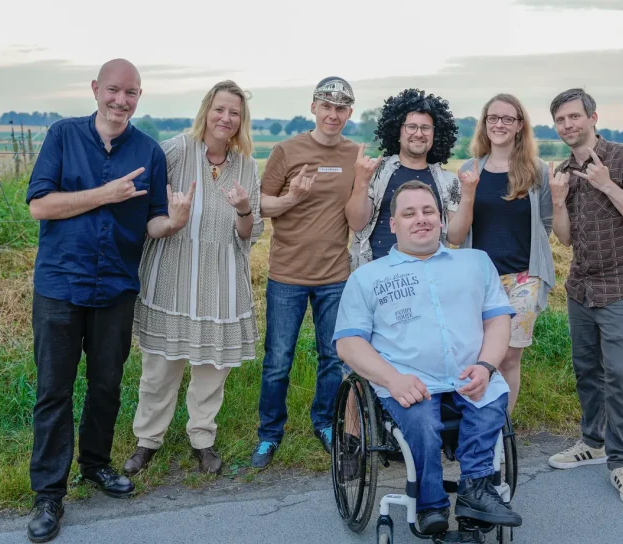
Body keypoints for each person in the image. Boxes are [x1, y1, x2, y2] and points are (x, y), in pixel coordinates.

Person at [24, 59, 194, 542]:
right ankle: (49, 494)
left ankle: (95, 465)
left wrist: (175, 222)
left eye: (132, 93)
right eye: (114, 91)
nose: (122, 101)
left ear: (140, 96)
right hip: (59, 286)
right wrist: (103, 194)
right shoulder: (62, 135)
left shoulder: (148, 151)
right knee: (54, 390)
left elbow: (152, 222)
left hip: (116, 287)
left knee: (106, 386)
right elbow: (40, 204)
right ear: (96, 89)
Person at [334, 180, 522, 535]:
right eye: (409, 213)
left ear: (440, 219)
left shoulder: (476, 263)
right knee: (420, 423)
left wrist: (486, 366)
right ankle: (430, 504)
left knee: (489, 404)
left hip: (471, 375)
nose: (420, 219)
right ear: (393, 225)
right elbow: (348, 344)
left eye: (428, 211)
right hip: (409, 382)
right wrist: (392, 379)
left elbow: (498, 321)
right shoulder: (366, 278)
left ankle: (474, 492)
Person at [124, 81, 264, 477]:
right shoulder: (173, 151)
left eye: (234, 113)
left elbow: (249, 235)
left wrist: (242, 209)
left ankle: (202, 439)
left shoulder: (246, 167)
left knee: (211, 370)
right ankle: (147, 441)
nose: (226, 118)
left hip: (221, 282)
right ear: (207, 110)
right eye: (220, 109)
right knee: (159, 369)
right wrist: (171, 216)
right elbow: (147, 207)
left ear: (241, 121)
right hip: (173, 272)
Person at [546, 88, 623, 507]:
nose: (568, 125)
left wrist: (608, 185)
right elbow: (566, 238)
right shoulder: (563, 171)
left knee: (619, 377)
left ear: (593, 117)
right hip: (581, 287)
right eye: (561, 120)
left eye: (574, 116)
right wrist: (559, 201)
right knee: (587, 371)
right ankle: (592, 443)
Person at [251, 77, 359, 469]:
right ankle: (269, 434)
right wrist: (292, 197)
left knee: (332, 356)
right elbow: (262, 205)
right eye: (326, 106)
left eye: (341, 108)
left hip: (335, 275)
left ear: (349, 113)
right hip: (287, 274)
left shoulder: (355, 154)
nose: (333, 114)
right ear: (313, 107)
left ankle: (325, 424)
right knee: (278, 359)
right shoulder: (286, 150)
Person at [455, 93, 554, 415]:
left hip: (523, 278)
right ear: (484, 125)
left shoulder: (537, 172)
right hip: (479, 280)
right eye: (493, 118)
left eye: (507, 119)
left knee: (510, 356)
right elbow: (456, 234)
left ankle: (501, 428)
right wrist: (468, 194)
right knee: (479, 354)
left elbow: (546, 222)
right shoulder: (469, 171)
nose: (499, 124)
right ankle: (476, 422)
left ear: (519, 126)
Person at [346, 88, 470, 269]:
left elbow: (455, 237)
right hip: (377, 274)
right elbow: (356, 223)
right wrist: (361, 181)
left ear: (435, 134)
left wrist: (469, 193)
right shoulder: (375, 171)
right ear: (398, 131)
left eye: (426, 128)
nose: (419, 134)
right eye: (411, 127)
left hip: (428, 274)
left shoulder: (448, 181)